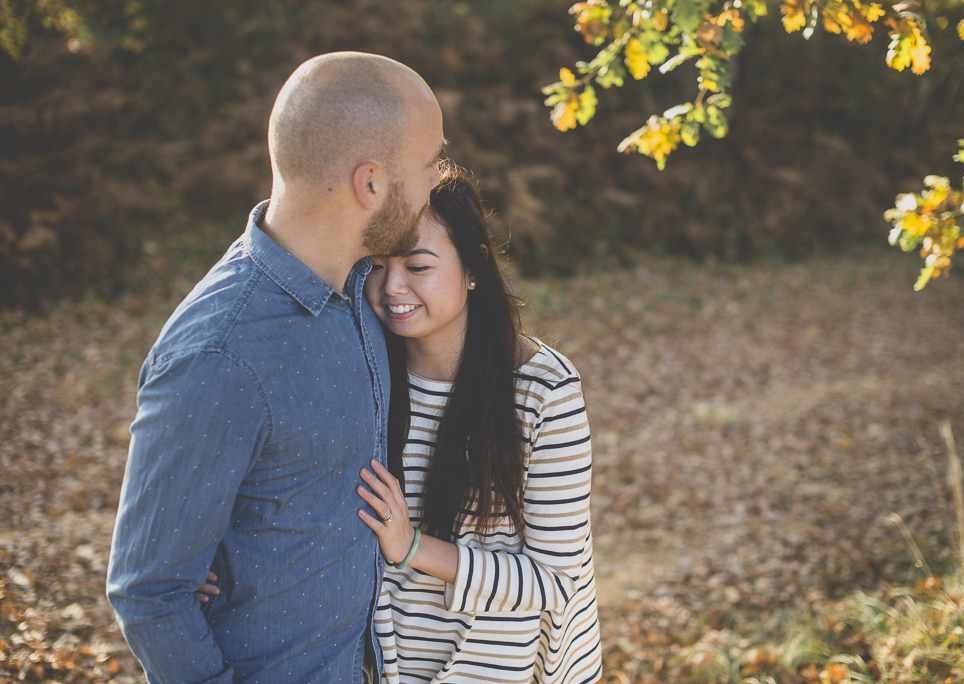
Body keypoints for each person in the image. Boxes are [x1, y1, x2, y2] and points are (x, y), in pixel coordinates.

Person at [106, 52, 445, 683]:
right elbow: (150, 593)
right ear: (370, 184)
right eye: (430, 166)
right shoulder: (220, 355)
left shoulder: (367, 289)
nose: (436, 186)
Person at [357, 165, 603, 683]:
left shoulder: (543, 390)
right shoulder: (363, 370)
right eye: (377, 265)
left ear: (472, 268)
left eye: (418, 266)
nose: (392, 286)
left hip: (497, 665)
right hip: (388, 664)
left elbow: (555, 583)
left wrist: (413, 547)